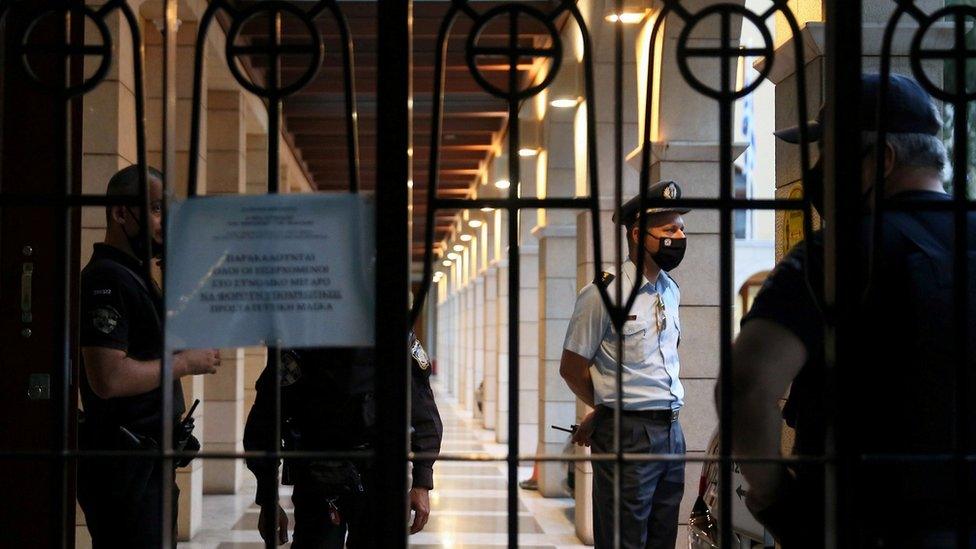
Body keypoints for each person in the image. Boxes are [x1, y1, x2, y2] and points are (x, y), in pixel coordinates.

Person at [727, 73, 976, 547]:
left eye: (830, 156)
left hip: (857, 525)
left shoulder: (835, 255)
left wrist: (783, 507)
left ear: (881, 159)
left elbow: (744, 388)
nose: (819, 169)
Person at [77, 165, 221, 548]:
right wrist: (186, 363)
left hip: (146, 463)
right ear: (121, 213)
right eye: (156, 210)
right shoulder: (107, 278)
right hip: (124, 466)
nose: (164, 223)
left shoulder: (136, 276)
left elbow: (156, 345)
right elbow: (108, 379)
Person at [560, 180, 690, 549]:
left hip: (671, 430)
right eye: (669, 229)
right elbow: (571, 367)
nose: (679, 236)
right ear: (638, 234)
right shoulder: (604, 294)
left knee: (663, 535)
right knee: (624, 537)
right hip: (627, 434)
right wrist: (607, 407)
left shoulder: (670, 289)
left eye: (681, 228)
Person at [243, 331, 443, 547]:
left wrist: (422, 481)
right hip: (316, 474)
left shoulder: (390, 333)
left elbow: (423, 413)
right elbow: (265, 421)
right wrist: (268, 497)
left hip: (376, 474)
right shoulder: (296, 340)